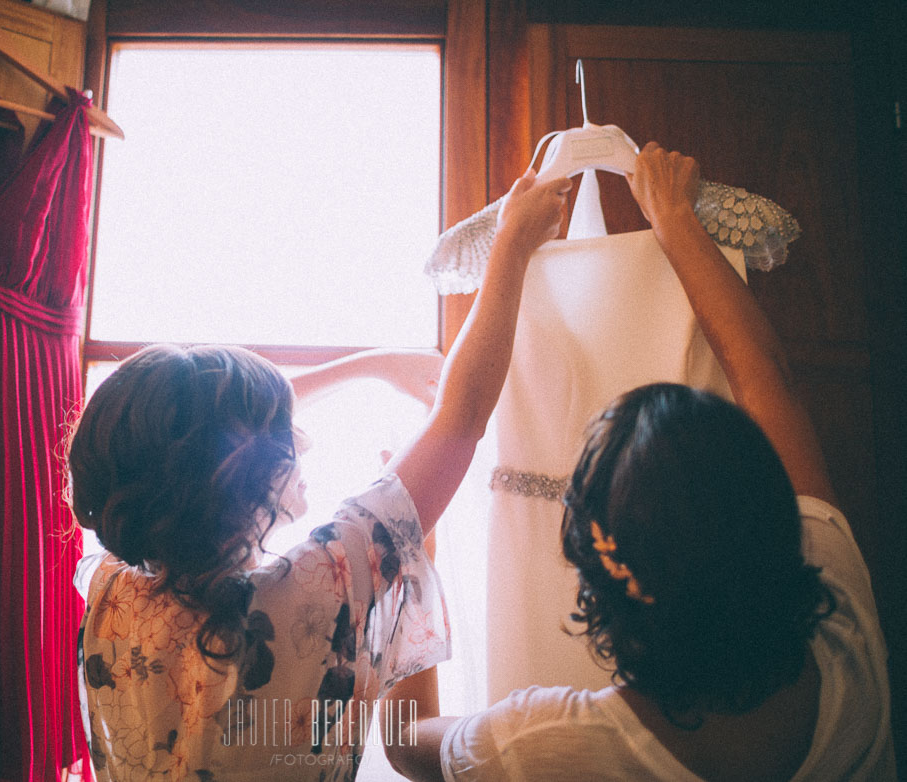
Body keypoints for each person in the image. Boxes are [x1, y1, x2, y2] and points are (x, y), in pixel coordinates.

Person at [381, 143, 896, 781]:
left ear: (604, 568)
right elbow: (770, 382)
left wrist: (414, 540)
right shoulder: (847, 627)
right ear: (770, 511)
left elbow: (406, 742)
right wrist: (676, 220)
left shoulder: (548, 747)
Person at [65, 171, 574, 780]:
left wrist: (372, 366)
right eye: (283, 434)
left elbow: (184, 432)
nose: (300, 440)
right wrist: (511, 247)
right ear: (244, 473)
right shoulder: (320, 582)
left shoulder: (110, 589)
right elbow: (461, 418)